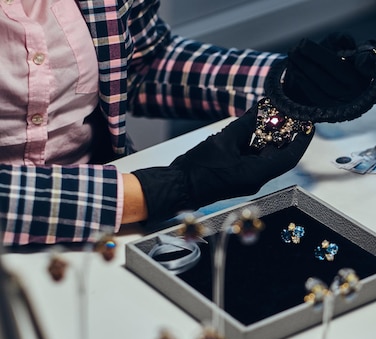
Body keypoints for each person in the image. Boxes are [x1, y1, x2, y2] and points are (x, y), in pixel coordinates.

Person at [0, 0, 314, 246]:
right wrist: (160, 190)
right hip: (112, 207)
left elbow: (141, 64)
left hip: (111, 231)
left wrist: (288, 82)